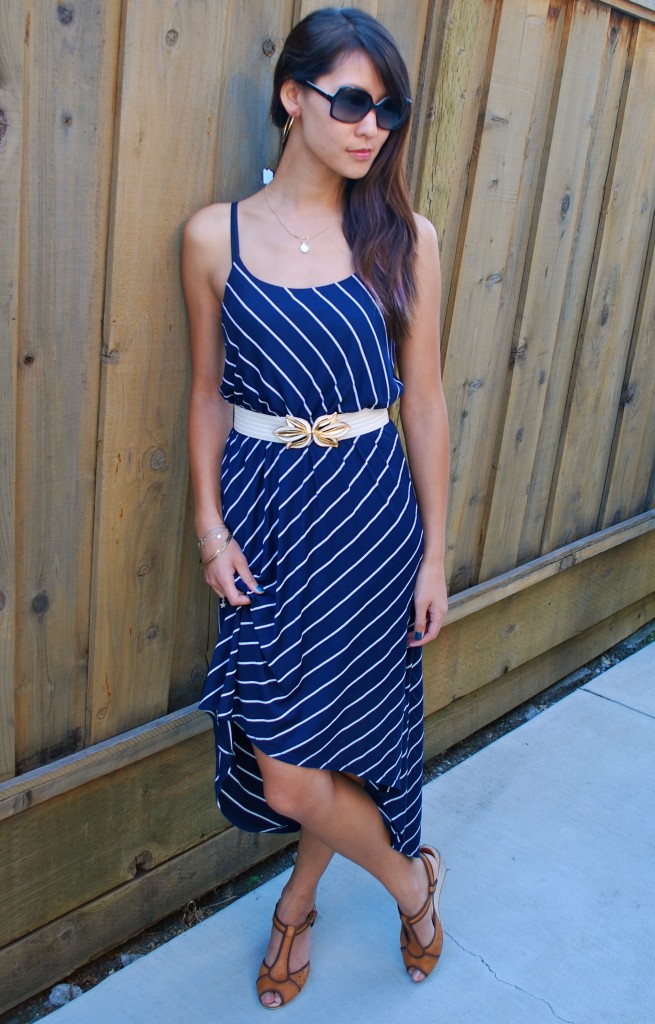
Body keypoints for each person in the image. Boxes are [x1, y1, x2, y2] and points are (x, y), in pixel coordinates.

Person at [182, 6, 450, 1010]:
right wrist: (209, 525)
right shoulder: (216, 237)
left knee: (340, 740)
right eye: (348, 100)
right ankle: (412, 882)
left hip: (371, 520)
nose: (368, 125)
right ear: (292, 96)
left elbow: (421, 402)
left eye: (386, 109)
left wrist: (434, 555)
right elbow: (209, 391)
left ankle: (300, 901)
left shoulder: (404, 237)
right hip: (264, 521)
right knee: (288, 763)